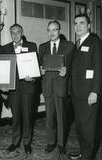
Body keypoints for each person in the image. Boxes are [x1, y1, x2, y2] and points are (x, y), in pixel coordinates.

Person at [3, 24, 41, 154]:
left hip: (27, 87)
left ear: (22, 32)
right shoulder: (6, 48)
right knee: (16, 117)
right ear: (10, 34)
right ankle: (15, 142)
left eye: (18, 32)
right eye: (12, 32)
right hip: (13, 89)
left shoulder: (31, 46)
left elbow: (36, 66)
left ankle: (27, 142)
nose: (15, 35)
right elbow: (4, 69)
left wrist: (34, 77)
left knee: (27, 116)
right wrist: (4, 89)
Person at [39, 20, 74, 155]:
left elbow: (73, 65)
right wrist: (40, 70)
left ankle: (61, 144)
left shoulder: (69, 46)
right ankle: (50, 142)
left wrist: (67, 70)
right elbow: (39, 65)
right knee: (49, 118)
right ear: (47, 32)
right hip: (47, 86)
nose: (52, 32)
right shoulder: (42, 47)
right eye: (49, 30)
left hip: (61, 86)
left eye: (54, 29)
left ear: (59, 31)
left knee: (61, 118)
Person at [70, 14, 102, 160]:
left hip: (89, 93)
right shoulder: (78, 43)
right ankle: (84, 152)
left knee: (89, 129)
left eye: (82, 23)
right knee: (81, 127)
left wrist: (94, 92)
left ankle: (88, 157)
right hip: (77, 94)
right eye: (76, 23)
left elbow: (99, 68)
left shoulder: (94, 42)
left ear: (89, 25)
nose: (78, 26)